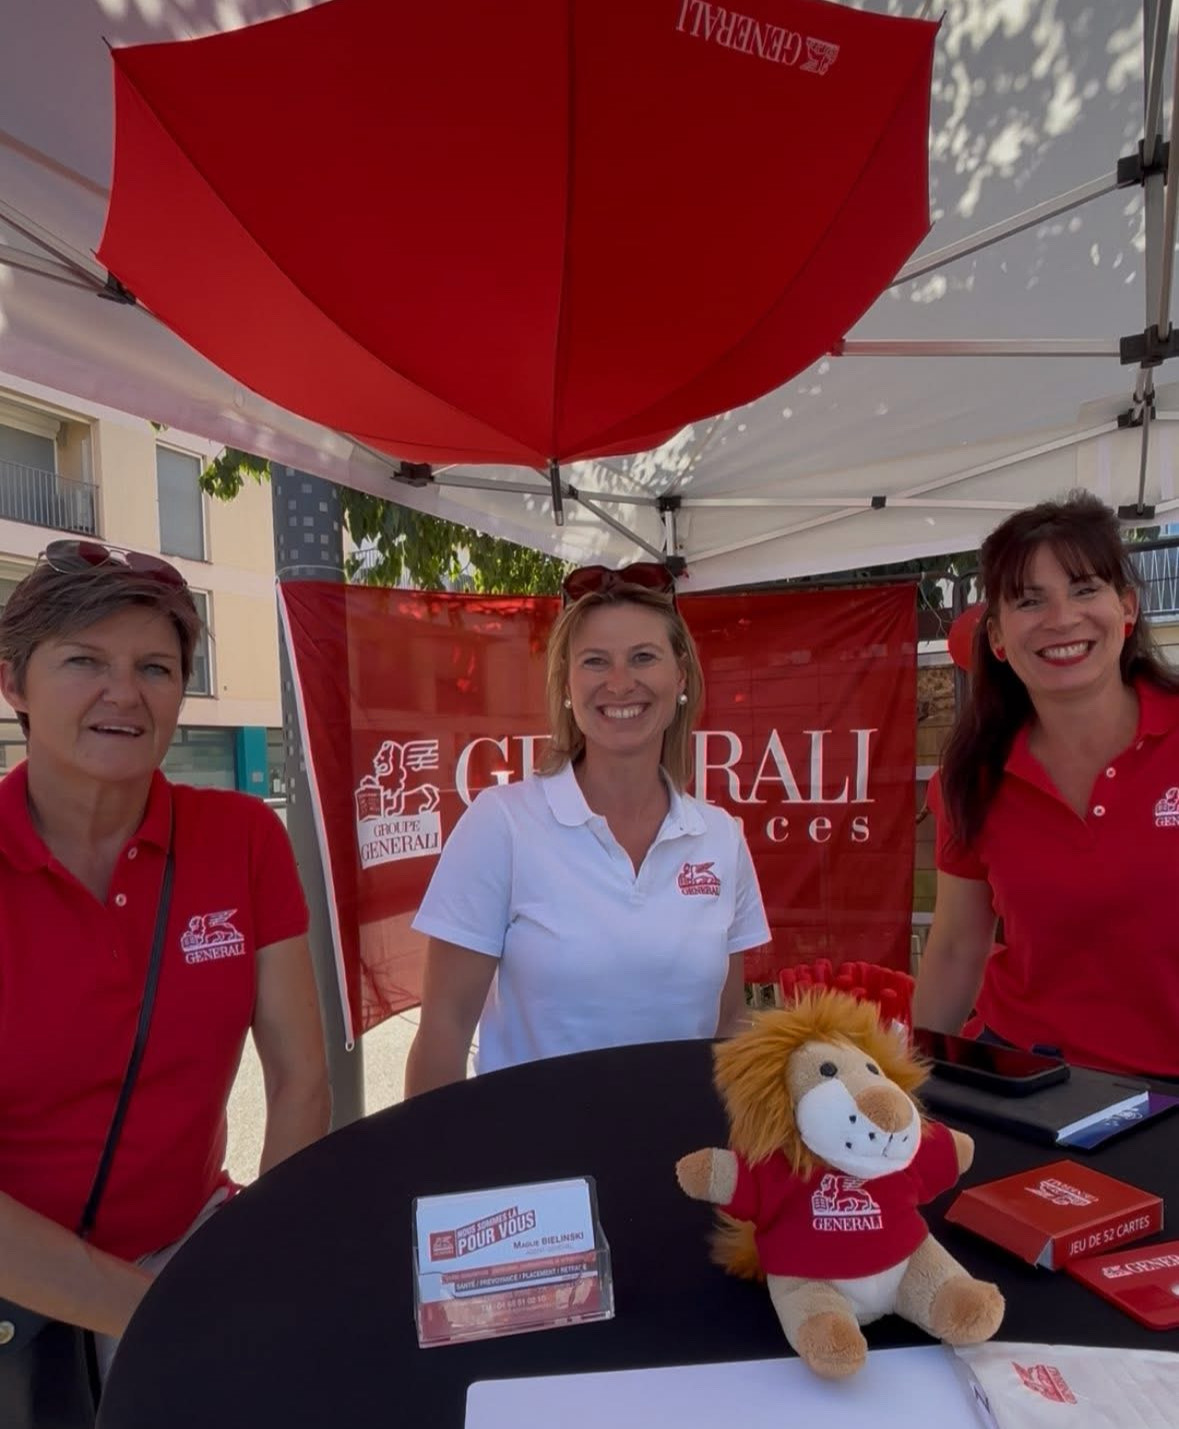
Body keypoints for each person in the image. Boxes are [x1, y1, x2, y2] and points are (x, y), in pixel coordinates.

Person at [0, 540, 330, 1380]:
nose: (125, 692)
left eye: (156, 666)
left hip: (190, 1249)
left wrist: (258, 1255)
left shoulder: (243, 836)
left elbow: (298, 1075)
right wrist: (172, 1313)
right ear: (14, 684)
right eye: (85, 660)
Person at [405, 562, 770, 1095]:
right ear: (569, 687)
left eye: (643, 657)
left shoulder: (720, 837)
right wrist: (430, 1170)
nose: (620, 683)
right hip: (535, 1165)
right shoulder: (502, 823)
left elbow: (729, 1021)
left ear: (681, 678)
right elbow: (444, 1029)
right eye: (595, 662)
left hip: (685, 1162)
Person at [911, 492, 1179, 1078]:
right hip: (1026, 1079)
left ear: (1127, 608)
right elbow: (957, 947)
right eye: (1030, 601)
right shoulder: (972, 776)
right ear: (999, 640)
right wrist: (909, 1084)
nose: (1061, 618)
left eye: (1084, 589)